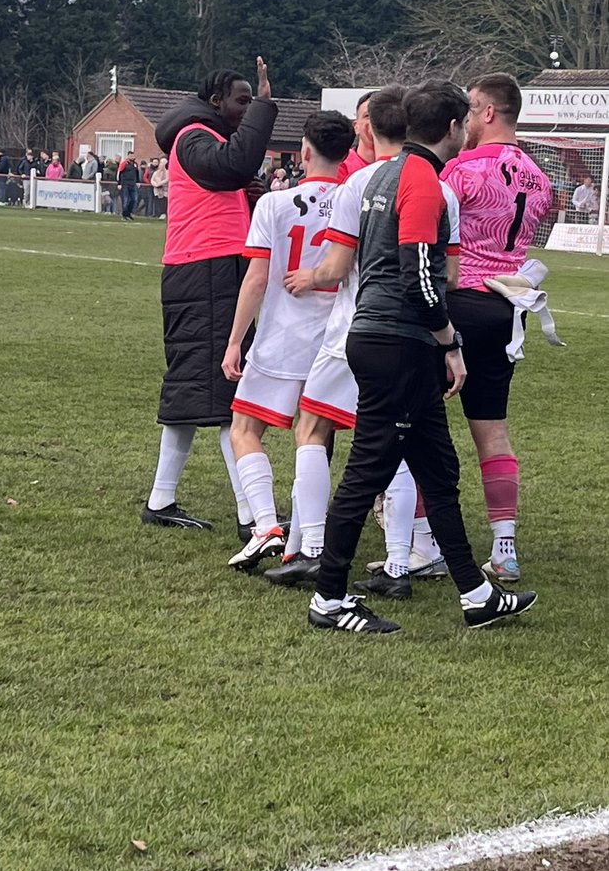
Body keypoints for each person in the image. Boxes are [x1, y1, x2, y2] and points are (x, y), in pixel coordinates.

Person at [306, 79, 538, 634]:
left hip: (380, 336)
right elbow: (422, 280)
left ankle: (477, 593)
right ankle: (329, 598)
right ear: (455, 128)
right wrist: (450, 343)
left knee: (439, 469)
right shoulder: (423, 182)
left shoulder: (376, 177)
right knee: (368, 470)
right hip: (398, 342)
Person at [271, 85, 458, 594]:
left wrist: (306, 279)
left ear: (371, 127)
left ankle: (312, 549)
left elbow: (334, 269)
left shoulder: (361, 184)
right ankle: (401, 561)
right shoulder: (442, 188)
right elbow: (450, 278)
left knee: (312, 427)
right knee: (398, 443)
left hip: (357, 330)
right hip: (414, 336)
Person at [142, 57, 277, 532]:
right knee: (228, 392)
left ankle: (161, 501)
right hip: (206, 273)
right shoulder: (193, 137)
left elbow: (230, 175)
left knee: (191, 390)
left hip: (203, 270)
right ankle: (251, 515)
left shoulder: (203, 135)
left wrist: (249, 196)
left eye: (249, 103)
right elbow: (233, 164)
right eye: (241, 101)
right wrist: (265, 106)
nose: (246, 110)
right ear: (216, 101)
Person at [221, 110, 354, 570]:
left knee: (244, 428)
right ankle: (305, 540)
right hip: (335, 341)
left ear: (304, 151)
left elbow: (257, 278)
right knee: (315, 438)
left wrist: (236, 339)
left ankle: (265, 527)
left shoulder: (274, 205)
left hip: (281, 340)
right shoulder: (355, 200)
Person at [441, 73, 554, 584]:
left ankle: (420, 541)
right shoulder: (540, 177)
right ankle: (504, 546)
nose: (464, 119)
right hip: (508, 306)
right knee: (492, 429)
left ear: (487, 112)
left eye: (470, 109)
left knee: (424, 424)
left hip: (460, 300)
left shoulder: (460, 171)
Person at [336, 92, 375, 182]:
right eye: (367, 116)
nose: (375, 122)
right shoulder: (339, 168)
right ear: (356, 126)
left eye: (380, 116)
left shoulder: (405, 167)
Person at [118, 151, 140, 220]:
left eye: (132, 156)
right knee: (125, 200)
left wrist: (137, 182)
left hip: (132, 184)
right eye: (130, 156)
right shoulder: (124, 163)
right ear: (128, 156)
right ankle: (124, 214)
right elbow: (119, 173)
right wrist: (119, 183)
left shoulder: (135, 164)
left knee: (134, 199)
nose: (132, 157)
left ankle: (129, 213)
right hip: (125, 184)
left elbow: (137, 173)